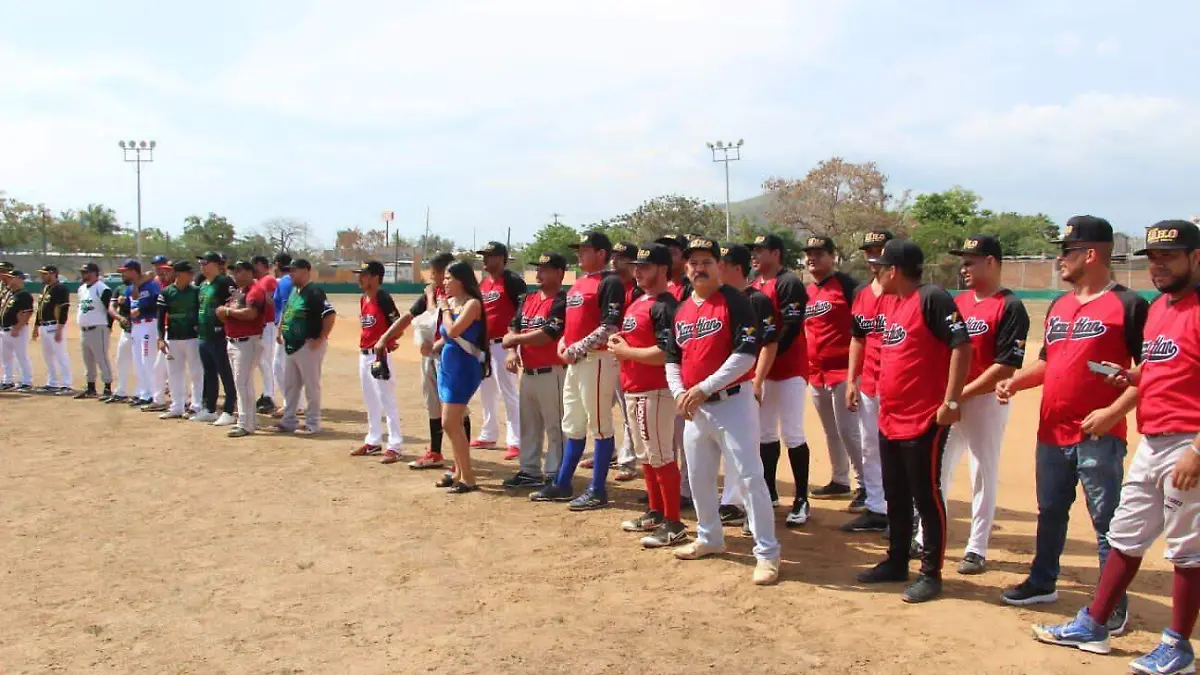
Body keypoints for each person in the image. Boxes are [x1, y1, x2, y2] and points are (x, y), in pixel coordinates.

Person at [1031, 220, 1200, 675]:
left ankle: (1178, 646)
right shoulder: (1161, 307)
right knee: (1125, 534)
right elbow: (1164, 368)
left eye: (1170, 256)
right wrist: (1132, 377)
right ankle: (1096, 624)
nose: (1159, 266)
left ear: (1196, 258)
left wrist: (1198, 451)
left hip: (1189, 441)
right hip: (1154, 436)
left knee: (1186, 549)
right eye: (1154, 258)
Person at [996, 216, 1146, 634]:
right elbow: (1048, 363)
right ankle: (1043, 581)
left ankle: (1111, 603)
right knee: (1050, 512)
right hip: (1051, 431)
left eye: (1066, 251)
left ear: (1091, 254)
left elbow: (1151, 373)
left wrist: (1114, 414)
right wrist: (1015, 381)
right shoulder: (1060, 306)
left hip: (1099, 434)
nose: (1059, 259)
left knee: (1106, 521)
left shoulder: (1129, 304)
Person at [855, 239, 971, 604]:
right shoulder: (892, 303)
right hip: (890, 415)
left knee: (926, 494)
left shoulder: (932, 298)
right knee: (895, 493)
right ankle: (896, 561)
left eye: (881, 266)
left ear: (895, 271)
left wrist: (951, 399)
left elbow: (961, 345)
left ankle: (931, 572)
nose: (875, 271)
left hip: (923, 417)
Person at [665, 236, 779, 585]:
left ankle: (767, 553)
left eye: (706, 262)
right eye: (693, 263)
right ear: (685, 267)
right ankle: (710, 537)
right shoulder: (683, 306)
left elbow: (746, 353)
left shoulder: (735, 301)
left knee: (749, 477)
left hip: (733, 401)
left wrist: (702, 388)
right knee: (699, 477)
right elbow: (673, 357)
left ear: (719, 266)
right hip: (696, 407)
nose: (699, 268)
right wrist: (681, 392)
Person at [930, 235, 1030, 574]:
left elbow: (1004, 366)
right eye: (963, 261)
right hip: (953, 399)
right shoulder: (960, 301)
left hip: (984, 401)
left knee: (981, 472)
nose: (963, 267)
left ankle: (976, 547)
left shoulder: (1010, 305)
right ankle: (926, 536)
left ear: (991, 262)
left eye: (970, 261)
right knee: (938, 470)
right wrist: (950, 396)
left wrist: (959, 394)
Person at [530, 231, 626, 510]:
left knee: (599, 426)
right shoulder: (579, 283)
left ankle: (597, 489)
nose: (580, 254)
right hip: (576, 360)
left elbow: (610, 326)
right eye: (579, 250)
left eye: (586, 250)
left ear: (601, 254)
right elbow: (571, 323)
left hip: (597, 360)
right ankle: (563, 483)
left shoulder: (610, 282)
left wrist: (575, 349)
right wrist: (563, 343)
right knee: (572, 424)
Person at [610, 244, 688, 546]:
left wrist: (626, 351)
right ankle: (656, 512)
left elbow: (668, 352)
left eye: (645, 265)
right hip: (634, 387)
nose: (637, 270)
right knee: (645, 455)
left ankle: (674, 522)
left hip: (656, 389)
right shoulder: (638, 300)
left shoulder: (665, 305)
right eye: (636, 265)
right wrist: (622, 343)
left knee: (660, 455)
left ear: (663, 270)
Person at [374, 253, 472, 469]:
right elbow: (408, 317)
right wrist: (384, 337)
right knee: (433, 405)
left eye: (438, 273)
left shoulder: (462, 298)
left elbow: (438, 319)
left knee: (457, 408)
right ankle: (435, 452)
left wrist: (430, 298)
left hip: (452, 357)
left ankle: (461, 460)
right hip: (431, 357)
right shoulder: (434, 292)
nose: (435, 278)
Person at [749, 233, 812, 524]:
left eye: (761, 250)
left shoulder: (789, 282)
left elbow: (790, 327)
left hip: (789, 369)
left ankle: (801, 499)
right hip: (765, 370)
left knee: (793, 432)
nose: (755, 255)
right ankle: (771, 490)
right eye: (753, 251)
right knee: (764, 433)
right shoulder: (753, 285)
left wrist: (766, 357)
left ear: (776, 254)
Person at [715, 243, 779, 529]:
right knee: (727, 447)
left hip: (744, 383)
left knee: (747, 450)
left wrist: (758, 379)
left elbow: (769, 343)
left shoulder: (757, 299)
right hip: (717, 386)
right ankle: (732, 502)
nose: (715, 268)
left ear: (735, 268)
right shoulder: (717, 300)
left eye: (721, 263)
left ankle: (750, 510)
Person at [801, 236, 865, 505]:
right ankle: (840, 480)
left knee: (849, 430)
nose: (812, 258)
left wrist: (856, 372)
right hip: (816, 372)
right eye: (809, 254)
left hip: (843, 370)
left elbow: (862, 331)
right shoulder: (806, 291)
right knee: (830, 430)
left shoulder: (849, 286)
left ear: (832, 256)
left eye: (819, 253)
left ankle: (867, 485)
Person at [501, 252, 568, 489]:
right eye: (538, 269)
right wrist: (512, 351)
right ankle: (529, 470)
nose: (539, 273)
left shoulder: (562, 301)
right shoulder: (528, 298)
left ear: (560, 273)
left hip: (553, 371)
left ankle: (555, 472)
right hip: (528, 372)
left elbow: (548, 333)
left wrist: (514, 340)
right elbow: (514, 324)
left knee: (555, 426)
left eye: (545, 269)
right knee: (529, 425)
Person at [844, 229, 895, 533]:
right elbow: (857, 339)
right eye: (869, 250)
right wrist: (852, 379)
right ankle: (877, 507)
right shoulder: (861, 294)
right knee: (869, 446)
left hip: (897, 382)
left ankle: (905, 509)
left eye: (879, 249)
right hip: (869, 382)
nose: (873, 256)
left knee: (897, 447)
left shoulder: (905, 292)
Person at [432, 260, 490, 493]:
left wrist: (445, 308)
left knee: (449, 421)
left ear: (461, 280)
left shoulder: (472, 304)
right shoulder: (454, 302)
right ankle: (458, 471)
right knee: (451, 423)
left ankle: (468, 477)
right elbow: (447, 335)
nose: (444, 283)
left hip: (464, 368)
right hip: (449, 365)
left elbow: (454, 330)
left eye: (449, 278)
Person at [472, 242, 526, 459]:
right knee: (486, 392)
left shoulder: (512, 281)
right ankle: (489, 434)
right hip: (485, 346)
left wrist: (515, 345)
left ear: (502, 258)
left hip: (505, 345)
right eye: (483, 255)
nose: (485, 259)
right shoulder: (483, 283)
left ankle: (516, 440)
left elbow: (523, 311)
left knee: (509, 392)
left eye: (490, 256)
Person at [274, 259, 336, 435]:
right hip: (291, 345)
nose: (290, 274)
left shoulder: (315, 292)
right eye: (289, 270)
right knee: (290, 386)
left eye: (294, 270)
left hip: (308, 345)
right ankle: (289, 420)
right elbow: (287, 312)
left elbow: (329, 315)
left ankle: (312, 423)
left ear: (306, 271)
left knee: (311, 386)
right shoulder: (295, 291)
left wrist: (321, 338)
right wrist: (280, 330)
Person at [350, 260, 405, 459]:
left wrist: (388, 341)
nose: (359, 278)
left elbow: (398, 324)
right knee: (370, 400)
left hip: (379, 355)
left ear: (375, 277)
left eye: (363, 274)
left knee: (386, 400)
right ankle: (373, 441)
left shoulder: (382, 297)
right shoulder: (363, 298)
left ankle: (395, 445)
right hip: (364, 354)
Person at [217, 261, 268, 438]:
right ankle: (250, 420)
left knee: (242, 383)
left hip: (248, 341)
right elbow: (230, 314)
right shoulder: (238, 292)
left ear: (248, 272)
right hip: (234, 341)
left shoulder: (255, 290)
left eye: (238, 271)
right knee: (244, 383)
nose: (235, 275)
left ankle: (244, 423)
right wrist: (225, 313)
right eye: (234, 271)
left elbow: (251, 313)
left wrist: (228, 312)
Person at [156, 260, 203, 420]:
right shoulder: (167, 292)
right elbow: (160, 317)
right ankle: (177, 406)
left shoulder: (196, 291)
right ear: (178, 274)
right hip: (174, 337)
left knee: (196, 371)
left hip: (193, 337)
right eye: (188, 273)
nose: (191, 275)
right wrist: (161, 338)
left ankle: (196, 405)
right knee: (174, 372)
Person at [195, 252, 237, 425]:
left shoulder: (224, 282)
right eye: (201, 263)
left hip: (219, 334)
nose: (202, 266)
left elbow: (234, 303)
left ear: (215, 264)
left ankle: (229, 409)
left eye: (205, 263)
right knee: (208, 372)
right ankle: (209, 408)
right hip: (204, 334)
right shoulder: (203, 285)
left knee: (225, 372)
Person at [122, 260, 161, 407]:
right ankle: (144, 393)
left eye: (126, 270)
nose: (123, 274)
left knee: (147, 360)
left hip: (149, 323)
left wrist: (143, 309)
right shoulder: (131, 288)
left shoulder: (150, 285)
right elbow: (129, 305)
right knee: (138, 361)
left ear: (133, 271)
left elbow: (157, 301)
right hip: (136, 326)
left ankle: (153, 394)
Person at [74, 262, 114, 400]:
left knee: (101, 358)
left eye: (87, 272)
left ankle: (108, 388)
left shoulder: (102, 289)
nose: (84, 275)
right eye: (83, 272)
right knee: (88, 360)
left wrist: (108, 327)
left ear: (95, 273)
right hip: (84, 329)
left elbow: (110, 310)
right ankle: (90, 388)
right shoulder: (81, 289)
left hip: (99, 328)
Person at [32, 264, 72, 394]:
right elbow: (40, 309)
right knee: (48, 356)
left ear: (53, 273)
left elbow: (64, 310)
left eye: (45, 274)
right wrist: (36, 326)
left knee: (61, 355)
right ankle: (52, 382)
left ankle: (66, 384)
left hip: (55, 325)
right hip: (44, 325)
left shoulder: (61, 288)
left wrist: (60, 328)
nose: (42, 276)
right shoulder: (46, 288)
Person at [143, 255, 173, 412]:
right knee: (162, 366)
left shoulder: (173, 284)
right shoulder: (155, 282)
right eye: (156, 266)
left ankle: (173, 401)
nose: (159, 268)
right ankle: (161, 399)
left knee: (169, 366)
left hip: (176, 329)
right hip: (162, 326)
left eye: (162, 266)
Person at [103, 268, 136, 403]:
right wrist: (118, 317)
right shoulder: (120, 288)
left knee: (142, 364)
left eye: (125, 273)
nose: (123, 275)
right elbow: (111, 307)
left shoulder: (140, 287)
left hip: (141, 330)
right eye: (122, 273)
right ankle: (121, 391)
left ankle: (142, 392)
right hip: (126, 331)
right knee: (121, 361)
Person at [252, 255, 279, 414]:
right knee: (262, 361)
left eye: (255, 266)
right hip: (262, 324)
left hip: (269, 323)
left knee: (266, 361)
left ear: (261, 265)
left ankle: (269, 395)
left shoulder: (268, 280)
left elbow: (271, 301)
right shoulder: (260, 281)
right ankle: (267, 393)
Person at [268, 253, 294, 417]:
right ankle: (294, 402)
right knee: (290, 367)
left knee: (278, 366)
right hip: (293, 327)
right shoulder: (291, 280)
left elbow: (280, 305)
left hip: (285, 327)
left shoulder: (284, 281)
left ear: (277, 264)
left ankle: (290, 403)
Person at [0, 266, 34, 391]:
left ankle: (26, 381)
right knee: (6, 357)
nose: (8, 279)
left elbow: (27, 313)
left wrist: (18, 327)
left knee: (21, 356)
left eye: (11, 277)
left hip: (16, 330)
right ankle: (7, 380)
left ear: (19, 279)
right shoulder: (10, 293)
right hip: (4, 329)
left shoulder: (24, 295)